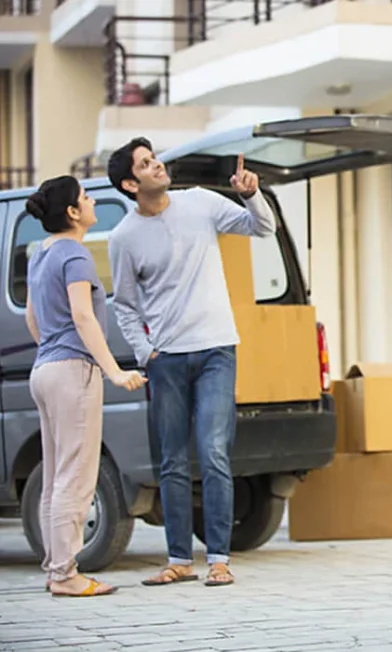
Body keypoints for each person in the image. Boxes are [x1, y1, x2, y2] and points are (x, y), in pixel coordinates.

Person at [106, 137, 276, 587]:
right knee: (173, 462)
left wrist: (250, 193)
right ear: (130, 182)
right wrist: (145, 353)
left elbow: (262, 228)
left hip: (218, 348)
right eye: (145, 163)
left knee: (214, 451)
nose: (157, 165)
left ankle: (218, 559)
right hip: (167, 360)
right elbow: (123, 303)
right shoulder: (124, 238)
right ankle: (180, 559)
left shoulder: (200, 203)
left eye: (154, 157)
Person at [24, 175, 147, 598]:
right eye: (86, 198)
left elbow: (33, 319)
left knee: (58, 473)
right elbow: (83, 316)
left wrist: (53, 351)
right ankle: (65, 574)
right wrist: (113, 370)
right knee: (75, 477)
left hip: (44, 371)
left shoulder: (40, 255)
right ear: (73, 213)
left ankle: (55, 568)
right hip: (72, 371)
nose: (92, 202)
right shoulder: (75, 255)